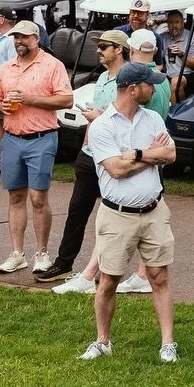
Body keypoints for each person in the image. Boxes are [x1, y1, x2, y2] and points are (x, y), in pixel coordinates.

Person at [77, 61, 180, 363]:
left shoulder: (152, 119)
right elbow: (116, 170)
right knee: (108, 279)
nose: (155, 88)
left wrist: (136, 154)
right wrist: (152, 156)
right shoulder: (102, 126)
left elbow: (170, 154)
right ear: (133, 89)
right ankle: (102, 341)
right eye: (150, 84)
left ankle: (168, 344)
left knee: (159, 276)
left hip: (154, 210)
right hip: (117, 214)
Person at [39, 28, 129, 286]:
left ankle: (108, 269)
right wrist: (85, 147)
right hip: (91, 154)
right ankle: (64, 263)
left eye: (104, 46)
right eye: (99, 46)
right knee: (77, 211)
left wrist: (97, 118)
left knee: (114, 217)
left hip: (113, 157)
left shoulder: (126, 80)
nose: (98, 51)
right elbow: (96, 116)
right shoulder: (102, 79)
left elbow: (124, 119)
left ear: (119, 49)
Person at [0, 19, 73, 274]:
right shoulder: (7, 68)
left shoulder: (52, 65)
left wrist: (31, 99)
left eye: (24, 38)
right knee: (15, 196)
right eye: (16, 38)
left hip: (42, 137)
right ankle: (17, 253)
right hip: (12, 138)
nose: (19, 42)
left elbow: (67, 100)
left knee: (38, 198)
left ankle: (42, 253)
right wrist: (1, 106)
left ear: (37, 39)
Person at [161, 9, 194, 101]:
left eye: (177, 22)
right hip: (172, 74)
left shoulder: (193, 38)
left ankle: (176, 112)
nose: (174, 26)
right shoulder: (163, 38)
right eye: (170, 22)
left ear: (183, 23)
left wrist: (180, 54)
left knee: (176, 82)